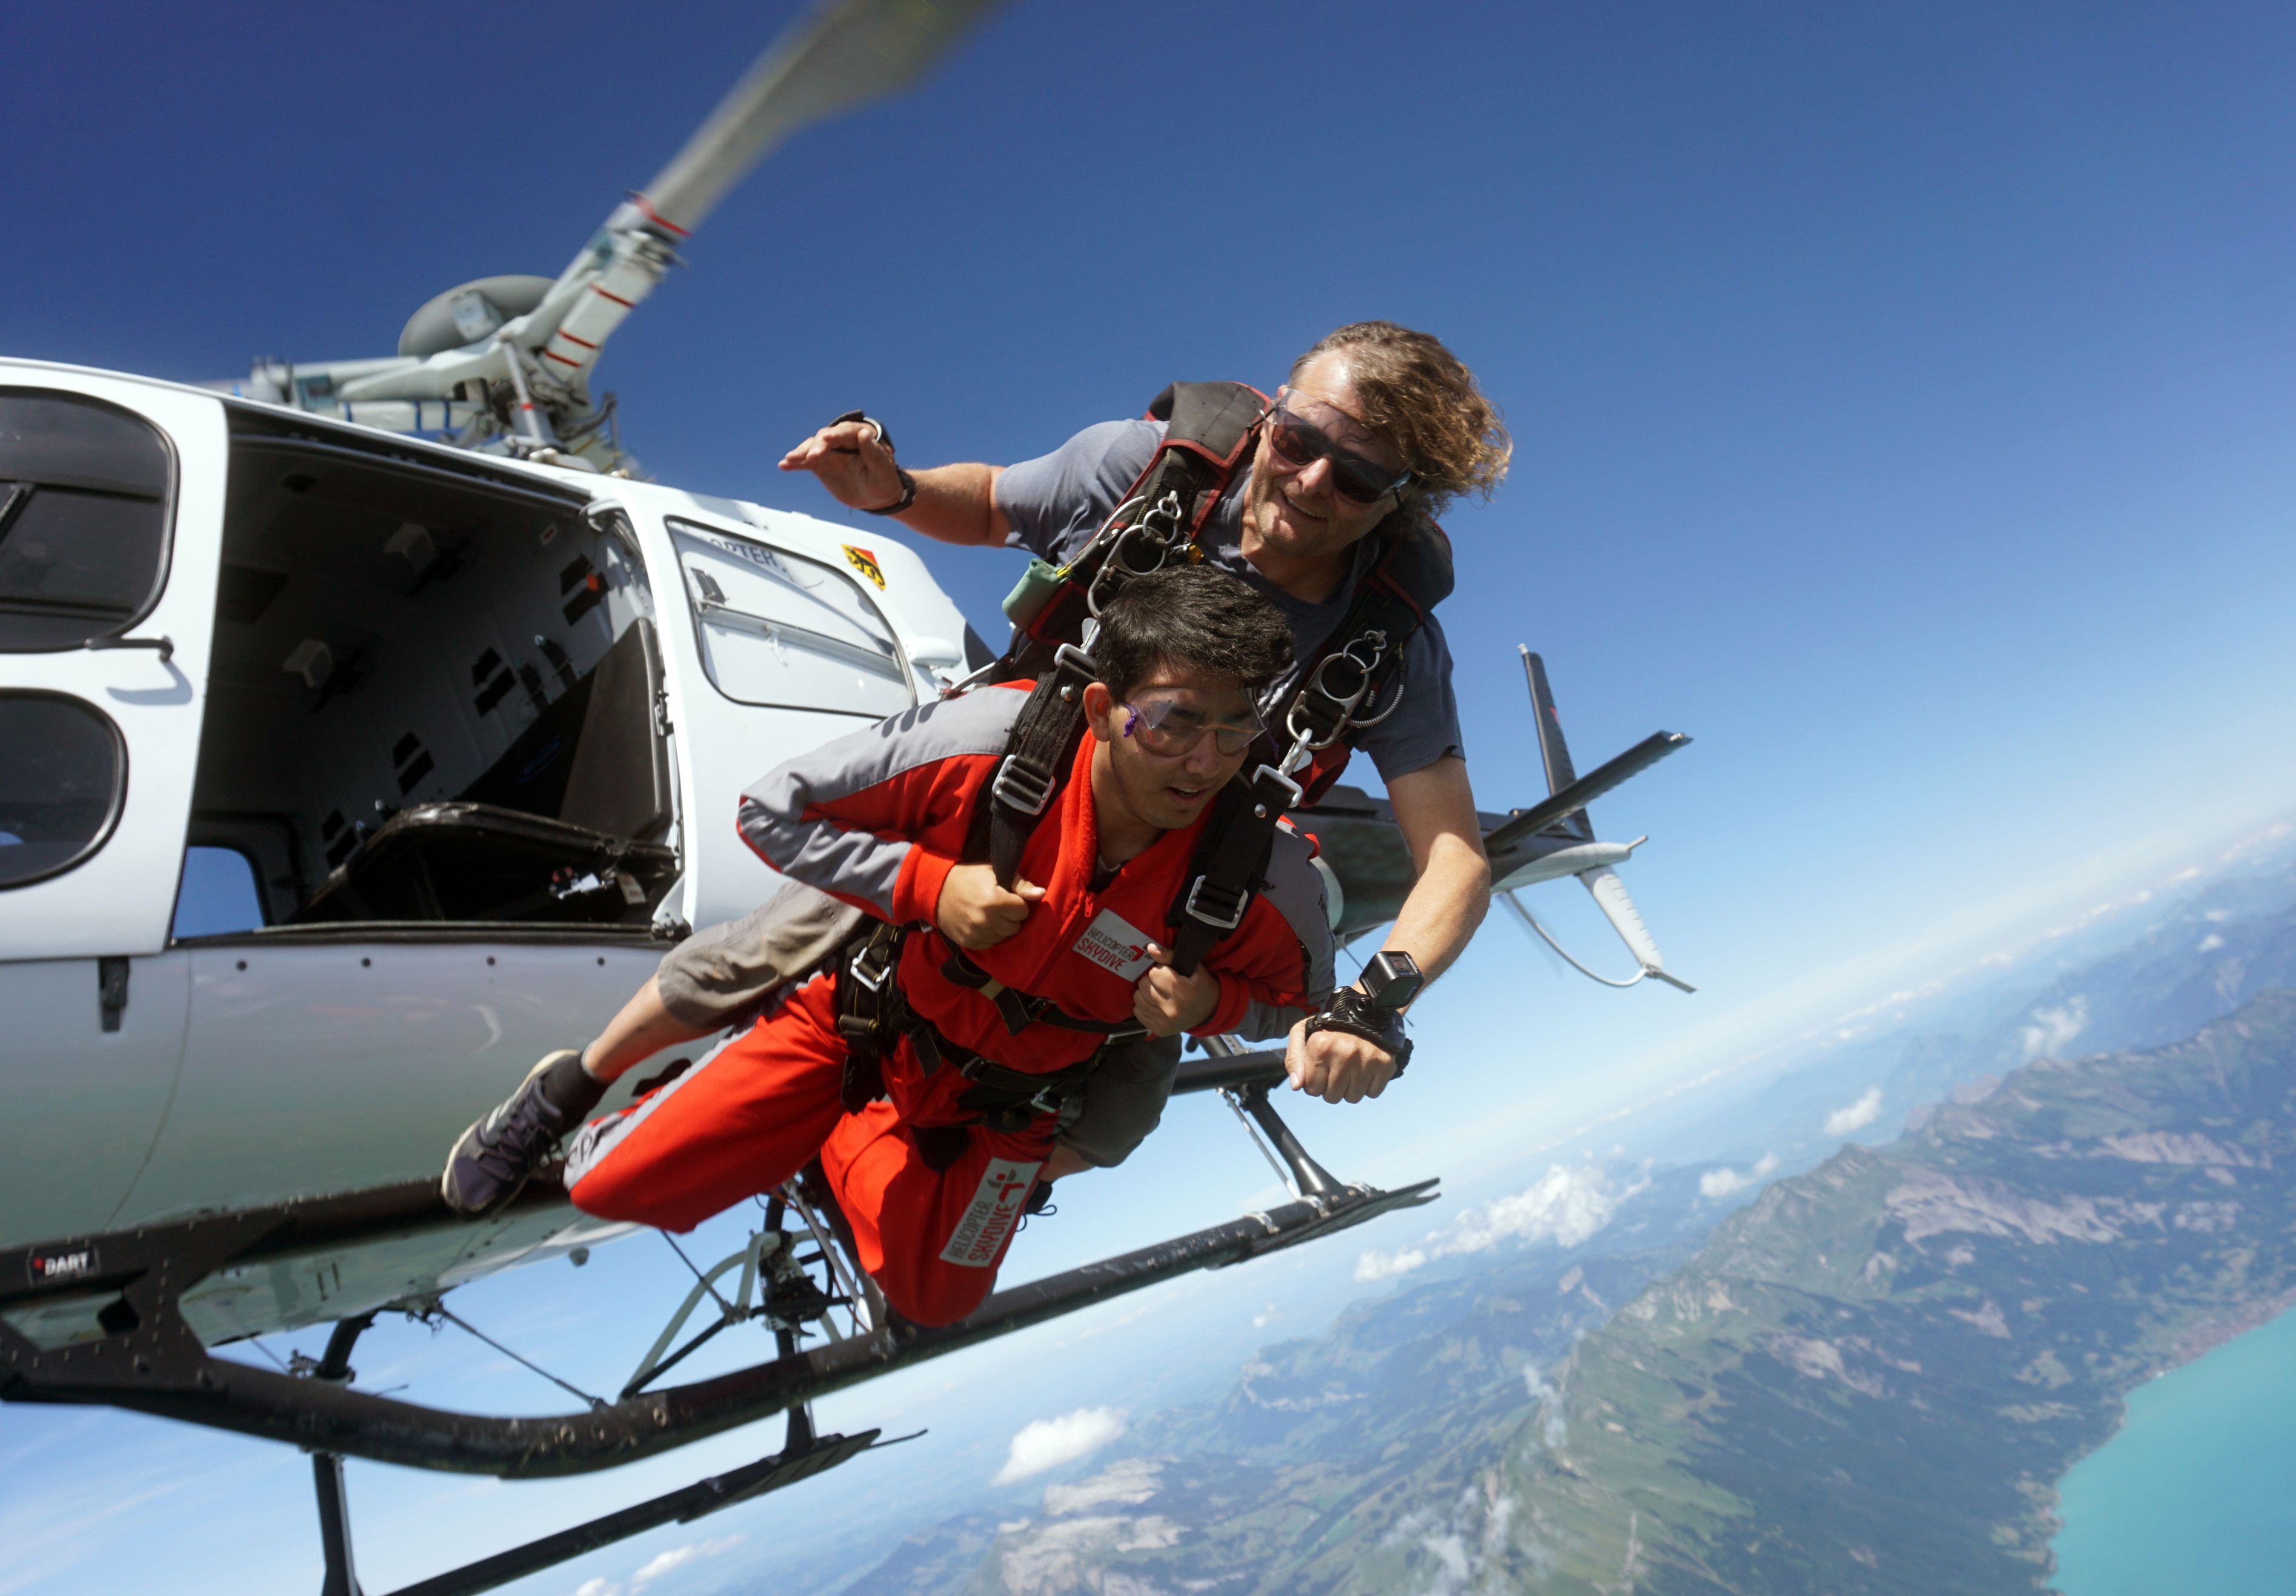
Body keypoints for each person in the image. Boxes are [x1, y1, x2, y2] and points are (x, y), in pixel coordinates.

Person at [442, 321, 1507, 1216]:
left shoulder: (1387, 644)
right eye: (1303, 437)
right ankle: (568, 1088)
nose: (1312, 480)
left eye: (1358, 475)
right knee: (770, 947)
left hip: (1170, 869)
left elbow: (1453, 857)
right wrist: (894, 490)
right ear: (1272, 410)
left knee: (1119, 1114)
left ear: (1400, 502)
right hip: (1011, 787)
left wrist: (1375, 1000)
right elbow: (999, 501)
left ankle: (915, 1166)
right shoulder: (1151, 470)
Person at [527, 567, 1328, 1325]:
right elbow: (771, 811)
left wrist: (1211, 1004)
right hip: (863, 1026)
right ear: (1097, 710)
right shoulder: (989, 744)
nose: (1206, 762)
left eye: (1236, 730)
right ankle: (755, 1103)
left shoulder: (1263, 872)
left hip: (1012, 1107)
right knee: (603, 1185)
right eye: (1173, 722)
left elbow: (1304, 1009)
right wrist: (928, 888)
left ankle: (826, 1138)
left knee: (936, 1299)